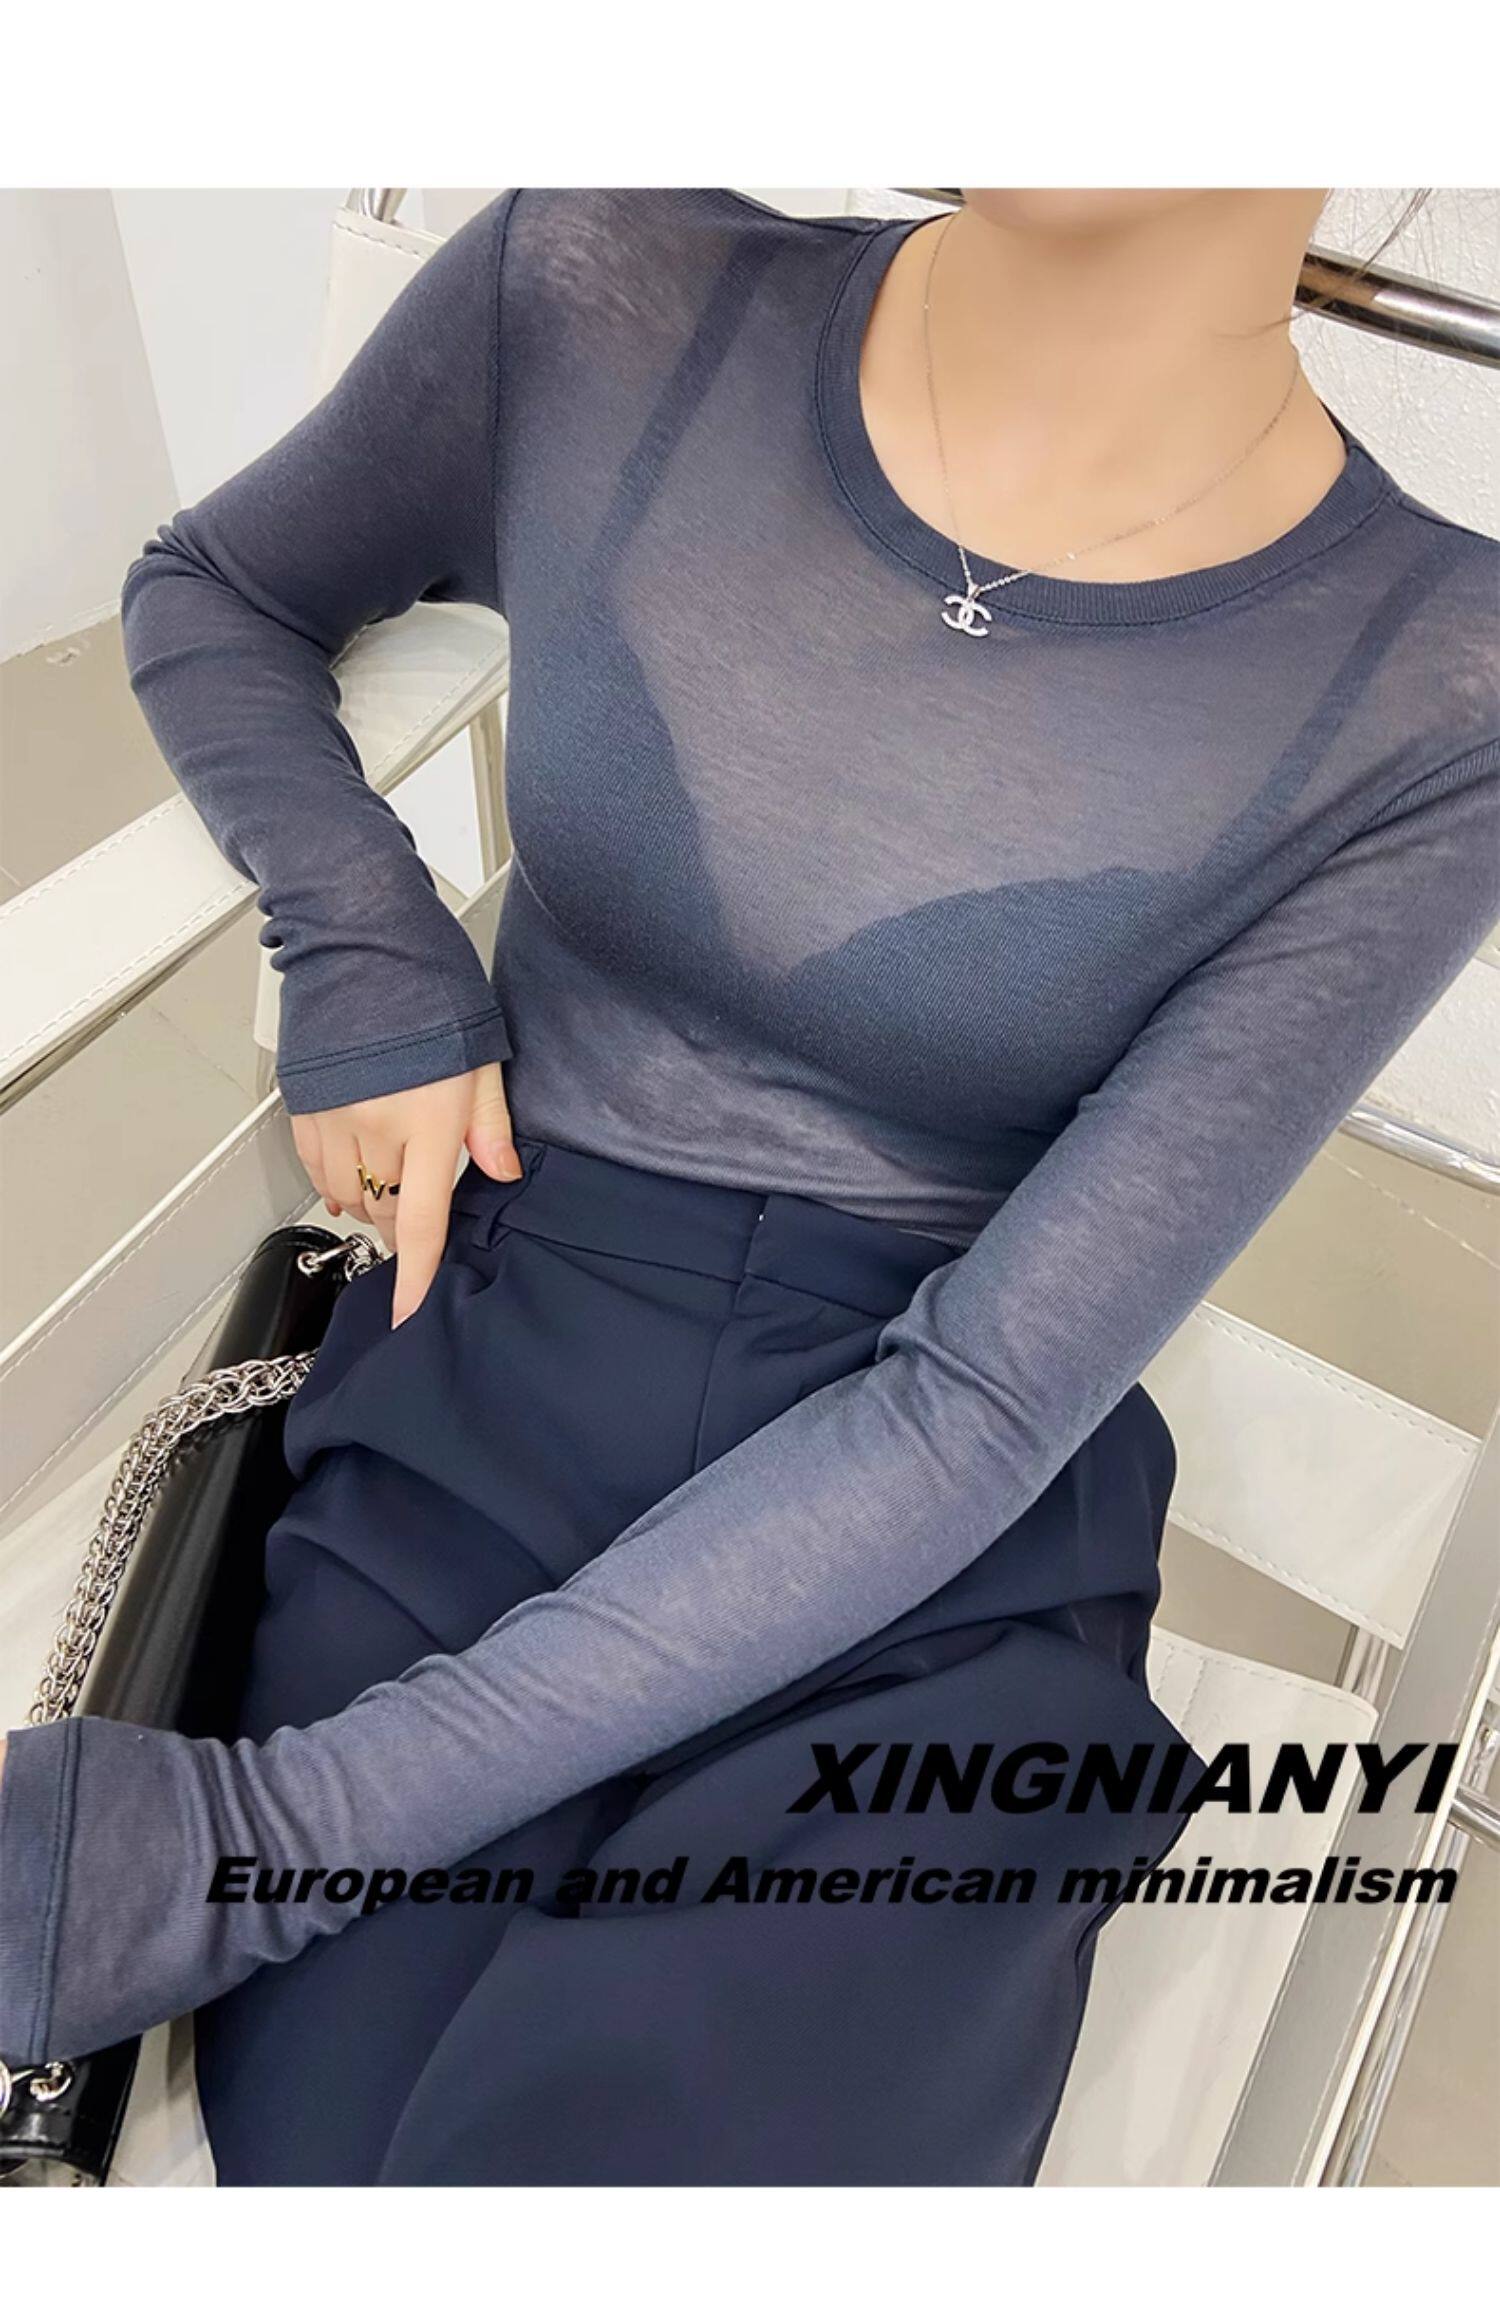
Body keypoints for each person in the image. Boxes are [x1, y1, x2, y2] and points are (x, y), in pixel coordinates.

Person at [0, 187, 1495, 2186]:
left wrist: (276, 1835)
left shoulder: (1440, 683)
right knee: (348, 2150)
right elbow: (218, 591)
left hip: (941, 1531)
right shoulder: (596, 285)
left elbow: (981, 1401)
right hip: (497, 1355)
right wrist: (365, 934)